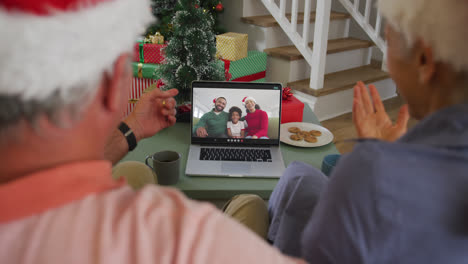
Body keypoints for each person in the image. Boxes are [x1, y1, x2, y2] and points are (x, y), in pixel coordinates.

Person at [0, 1, 306, 263]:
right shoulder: (183, 238)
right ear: (111, 82)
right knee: (251, 204)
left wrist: (131, 128)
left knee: (134, 169)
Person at [268, 0, 468, 263]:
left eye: (388, 40)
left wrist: (379, 163)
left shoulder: (372, 173)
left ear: (424, 61)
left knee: (271, 192)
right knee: (300, 176)